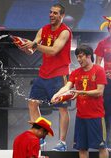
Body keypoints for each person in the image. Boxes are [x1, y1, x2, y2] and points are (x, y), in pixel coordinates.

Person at [22, 3, 72, 151]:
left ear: (62, 16)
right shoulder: (43, 29)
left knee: (62, 108)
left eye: (55, 13)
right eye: (50, 12)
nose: (51, 15)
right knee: (32, 103)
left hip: (60, 75)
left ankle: (62, 142)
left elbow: (54, 50)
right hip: (43, 74)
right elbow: (32, 49)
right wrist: (26, 47)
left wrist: (35, 46)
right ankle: (40, 138)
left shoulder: (65, 32)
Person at [51, 44, 109, 158]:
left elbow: (99, 91)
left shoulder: (99, 70)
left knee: (101, 147)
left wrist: (80, 92)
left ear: (89, 56)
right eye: (77, 57)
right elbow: (67, 87)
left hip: (96, 116)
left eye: (81, 56)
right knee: (82, 148)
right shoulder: (75, 72)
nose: (78, 59)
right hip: (81, 117)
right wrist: (57, 95)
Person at [94, 16, 111, 150]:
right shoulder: (102, 43)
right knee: (105, 111)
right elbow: (97, 65)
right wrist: (101, 76)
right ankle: (105, 140)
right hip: (107, 83)